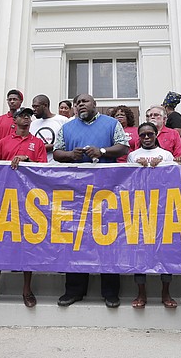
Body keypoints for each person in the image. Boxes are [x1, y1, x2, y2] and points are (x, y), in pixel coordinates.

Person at [53, 94, 129, 308]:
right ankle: (74, 290)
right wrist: (70, 155)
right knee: (75, 239)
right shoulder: (67, 127)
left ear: (95, 104)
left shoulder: (111, 123)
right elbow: (57, 152)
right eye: (77, 103)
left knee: (107, 239)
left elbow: (124, 147)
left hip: (107, 191)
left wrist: (102, 151)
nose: (80, 105)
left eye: (84, 102)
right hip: (75, 191)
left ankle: (111, 292)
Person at [0, 107, 48, 308]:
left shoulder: (37, 143)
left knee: (27, 242)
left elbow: (44, 170)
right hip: (4, 199)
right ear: (14, 120)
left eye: (29, 116)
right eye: (22, 116)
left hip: (28, 201)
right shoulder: (2, 143)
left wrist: (28, 160)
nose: (26, 119)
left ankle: (26, 289)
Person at [127, 122, 177, 308]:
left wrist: (162, 166)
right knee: (140, 252)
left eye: (150, 134)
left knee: (165, 251)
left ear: (156, 135)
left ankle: (166, 293)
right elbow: (128, 183)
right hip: (139, 209)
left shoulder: (166, 155)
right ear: (138, 137)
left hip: (162, 208)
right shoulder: (133, 156)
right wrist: (136, 169)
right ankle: (141, 294)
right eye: (143, 135)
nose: (146, 138)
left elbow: (171, 180)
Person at [29, 94, 68, 161]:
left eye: (36, 107)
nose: (34, 110)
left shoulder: (63, 120)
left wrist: (54, 147)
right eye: (33, 107)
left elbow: (69, 142)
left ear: (45, 106)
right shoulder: (33, 124)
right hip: (38, 165)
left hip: (56, 165)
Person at [163, 91, 181, 159]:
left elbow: (177, 132)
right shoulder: (168, 117)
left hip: (180, 147)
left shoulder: (175, 116)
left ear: (166, 106)